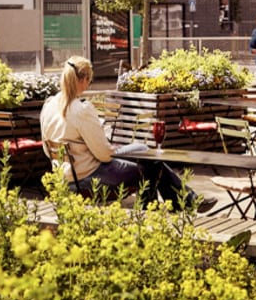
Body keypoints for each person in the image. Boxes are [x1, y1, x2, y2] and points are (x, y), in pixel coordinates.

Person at [39, 56, 202, 210]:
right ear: (82, 80)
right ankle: (156, 209)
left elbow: (47, 151)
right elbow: (104, 155)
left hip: (65, 176)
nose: (89, 85)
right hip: (90, 176)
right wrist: (113, 148)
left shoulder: (49, 105)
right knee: (151, 163)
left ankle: (185, 200)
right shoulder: (81, 110)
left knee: (144, 152)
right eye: (89, 81)